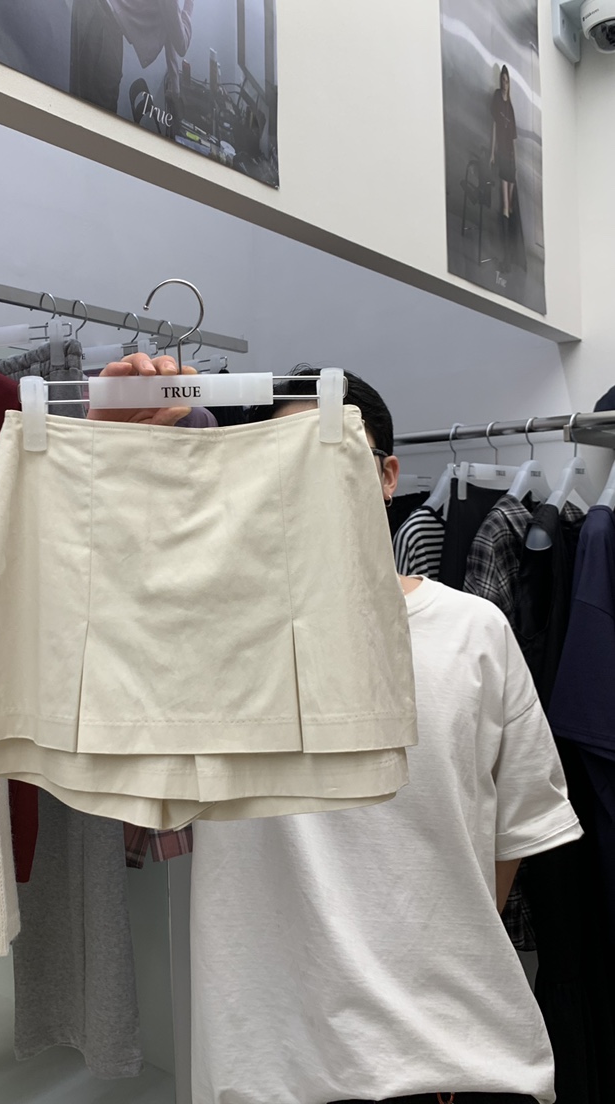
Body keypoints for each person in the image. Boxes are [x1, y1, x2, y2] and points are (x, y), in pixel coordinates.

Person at [89, 356, 581, 1104]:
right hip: (271, 1070)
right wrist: (110, 468)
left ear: (387, 475)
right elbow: (95, 647)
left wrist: (435, 966)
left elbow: (514, 831)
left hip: (454, 1064)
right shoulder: (207, 639)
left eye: (333, 452)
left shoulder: (474, 631)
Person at [69, 0, 193, 116]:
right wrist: (190, 4)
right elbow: (181, 44)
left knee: (82, 95)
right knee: (102, 108)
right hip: (102, 18)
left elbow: (169, 22)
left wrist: (175, 85)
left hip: (95, 11)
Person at [490, 65, 518, 273]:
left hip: (510, 158)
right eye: (502, 80)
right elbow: (494, 126)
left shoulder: (511, 107)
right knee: (505, 206)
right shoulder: (497, 99)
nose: (504, 84)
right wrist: (492, 153)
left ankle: (509, 258)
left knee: (509, 207)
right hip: (502, 156)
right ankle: (507, 258)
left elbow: (514, 139)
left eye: (507, 81)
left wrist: (514, 163)